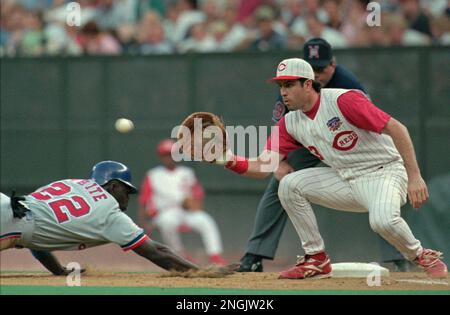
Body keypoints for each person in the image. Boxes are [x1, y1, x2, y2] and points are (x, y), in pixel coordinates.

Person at [220, 57, 447, 279]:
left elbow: (398, 129)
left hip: (384, 172)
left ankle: (421, 255)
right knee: (288, 184)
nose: (283, 92)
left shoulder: (343, 101)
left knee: (382, 222)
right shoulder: (290, 122)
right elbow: (262, 166)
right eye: (280, 85)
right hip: (346, 179)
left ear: (307, 84)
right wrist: (224, 158)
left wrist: (414, 176)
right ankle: (316, 258)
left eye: (289, 84)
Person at [238, 37, 370, 273]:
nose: (316, 74)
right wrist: (280, 163)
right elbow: (280, 132)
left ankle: (398, 256)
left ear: (334, 64)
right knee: (278, 185)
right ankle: (254, 255)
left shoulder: (350, 85)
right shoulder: (293, 86)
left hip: (347, 143)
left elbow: (369, 124)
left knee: (379, 187)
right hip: (308, 140)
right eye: (312, 67)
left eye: (321, 68)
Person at [0, 161, 200, 275]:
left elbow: (38, 236)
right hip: (10, 223)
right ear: (113, 186)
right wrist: (202, 272)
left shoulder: (71, 183)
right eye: (126, 190)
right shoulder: (109, 212)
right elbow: (156, 251)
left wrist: (59, 271)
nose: (127, 198)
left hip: (9, 210)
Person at [138, 139, 227, 265]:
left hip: (186, 212)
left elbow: (198, 197)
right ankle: (180, 256)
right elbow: (143, 201)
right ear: (161, 157)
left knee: (206, 221)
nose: (169, 157)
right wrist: (144, 223)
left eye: (172, 153)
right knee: (167, 222)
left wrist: (193, 204)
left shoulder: (187, 172)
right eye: (166, 154)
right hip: (164, 213)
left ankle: (215, 257)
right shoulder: (153, 175)